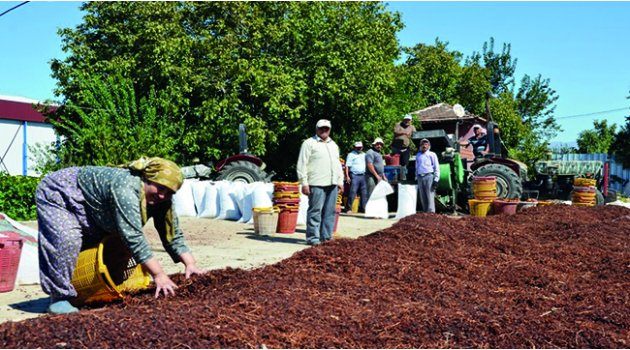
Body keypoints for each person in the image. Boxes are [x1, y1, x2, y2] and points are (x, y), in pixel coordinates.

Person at [36, 157, 204, 314]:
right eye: (160, 188)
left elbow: (172, 233)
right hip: (61, 192)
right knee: (67, 239)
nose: (163, 196)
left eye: (169, 193)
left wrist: (190, 264)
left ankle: (82, 289)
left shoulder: (163, 199)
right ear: (147, 179)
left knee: (109, 247)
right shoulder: (126, 188)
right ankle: (58, 297)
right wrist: (159, 275)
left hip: (93, 205)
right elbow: (133, 236)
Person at [296, 119, 344, 246]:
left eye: (326, 128)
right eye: (321, 128)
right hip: (316, 182)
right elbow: (302, 164)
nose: (324, 131)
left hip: (332, 182)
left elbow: (338, 164)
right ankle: (313, 238)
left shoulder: (333, 145)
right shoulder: (309, 143)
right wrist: (304, 183)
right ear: (316, 129)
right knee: (315, 211)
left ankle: (326, 237)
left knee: (330, 211)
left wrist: (340, 180)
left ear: (329, 130)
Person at [415, 138, 440, 213]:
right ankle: (425, 212)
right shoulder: (418, 155)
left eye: (426, 144)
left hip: (429, 176)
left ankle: (431, 212)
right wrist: (416, 176)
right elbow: (417, 166)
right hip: (420, 177)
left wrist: (436, 179)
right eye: (423, 144)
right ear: (420, 146)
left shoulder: (432, 154)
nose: (424, 146)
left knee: (430, 195)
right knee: (422, 196)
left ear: (429, 146)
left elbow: (436, 167)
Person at [344, 141, 367, 213]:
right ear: (354, 147)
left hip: (363, 175)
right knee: (353, 191)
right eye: (357, 147)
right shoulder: (351, 154)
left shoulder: (364, 154)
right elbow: (347, 166)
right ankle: (348, 208)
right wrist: (347, 176)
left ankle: (364, 208)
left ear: (362, 147)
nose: (359, 148)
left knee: (364, 193)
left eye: (360, 147)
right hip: (354, 175)